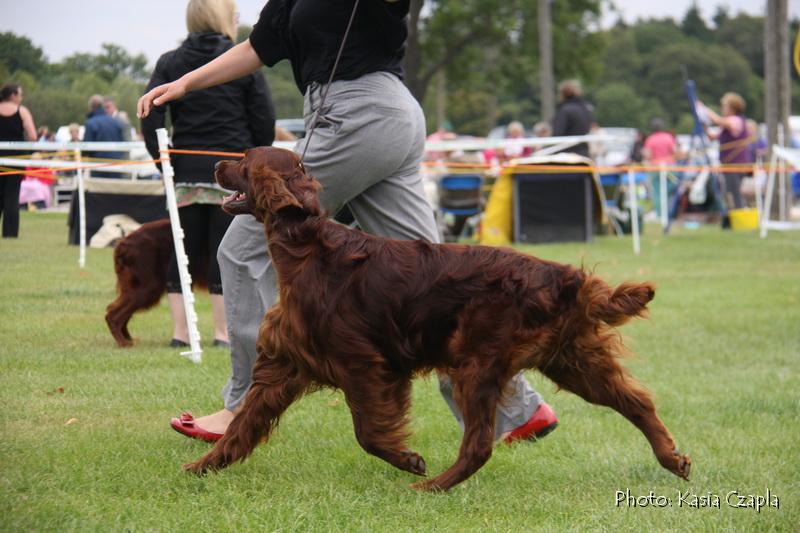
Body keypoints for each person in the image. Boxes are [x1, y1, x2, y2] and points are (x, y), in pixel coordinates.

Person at [139, 0, 557, 444]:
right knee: (431, 279)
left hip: (356, 115)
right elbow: (257, 48)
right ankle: (515, 409)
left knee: (242, 251)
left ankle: (243, 405)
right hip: (382, 119)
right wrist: (185, 82)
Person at [141, 0, 276, 348]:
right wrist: (253, 167)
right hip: (231, 173)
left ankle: (180, 333)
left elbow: (150, 111)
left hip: (185, 172)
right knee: (223, 249)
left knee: (181, 249)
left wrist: (163, 162)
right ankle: (222, 332)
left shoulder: (170, 62)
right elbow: (263, 119)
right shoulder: (241, 60)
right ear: (225, 18)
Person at [699, 92, 752, 214]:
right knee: (729, 192)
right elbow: (713, 137)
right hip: (728, 164)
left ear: (732, 108)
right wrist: (705, 126)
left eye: (724, 106)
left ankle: (738, 216)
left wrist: (704, 109)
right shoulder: (728, 123)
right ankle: (733, 216)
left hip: (736, 164)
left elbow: (718, 120)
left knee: (734, 193)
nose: (722, 109)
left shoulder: (736, 120)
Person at [0, 83, 37, 238]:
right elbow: (33, 136)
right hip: (16, 158)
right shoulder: (22, 111)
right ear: (13, 95)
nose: (21, 98)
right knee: (12, 196)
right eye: (20, 94)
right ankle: (10, 234)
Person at [642, 119, 678, 216]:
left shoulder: (650, 139)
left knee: (658, 193)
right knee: (671, 188)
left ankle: (660, 214)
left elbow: (647, 155)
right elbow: (675, 151)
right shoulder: (668, 137)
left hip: (655, 169)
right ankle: (668, 213)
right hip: (670, 168)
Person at [83, 94, 125, 178]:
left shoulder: (90, 123)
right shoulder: (115, 122)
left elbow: (86, 149)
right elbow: (122, 143)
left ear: (91, 107)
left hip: (99, 169)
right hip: (117, 167)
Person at [551, 79, 594, 157]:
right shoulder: (586, 108)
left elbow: (557, 134)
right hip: (584, 153)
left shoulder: (564, 110)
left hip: (567, 154)